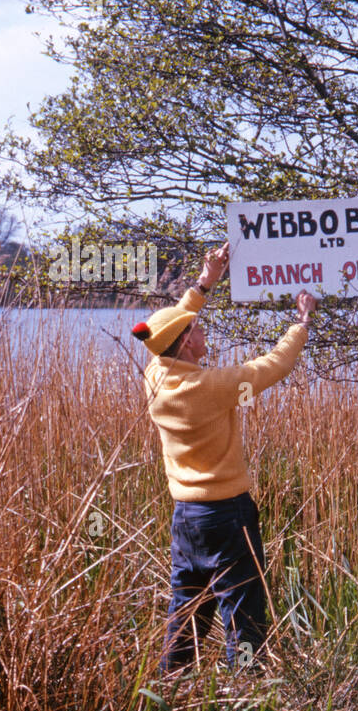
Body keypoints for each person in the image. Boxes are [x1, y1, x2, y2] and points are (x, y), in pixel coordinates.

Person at [131, 242, 317, 676]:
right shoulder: (207, 389)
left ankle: (172, 689)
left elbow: (166, 327)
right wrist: (302, 321)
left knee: (187, 610)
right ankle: (247, 694)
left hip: (186, 518)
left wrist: (205, 281)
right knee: (243, 613)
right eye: (196, 328)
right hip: (227, 516)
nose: (202, 330)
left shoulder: (156, 373)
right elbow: (270, 367)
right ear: (186, 343)